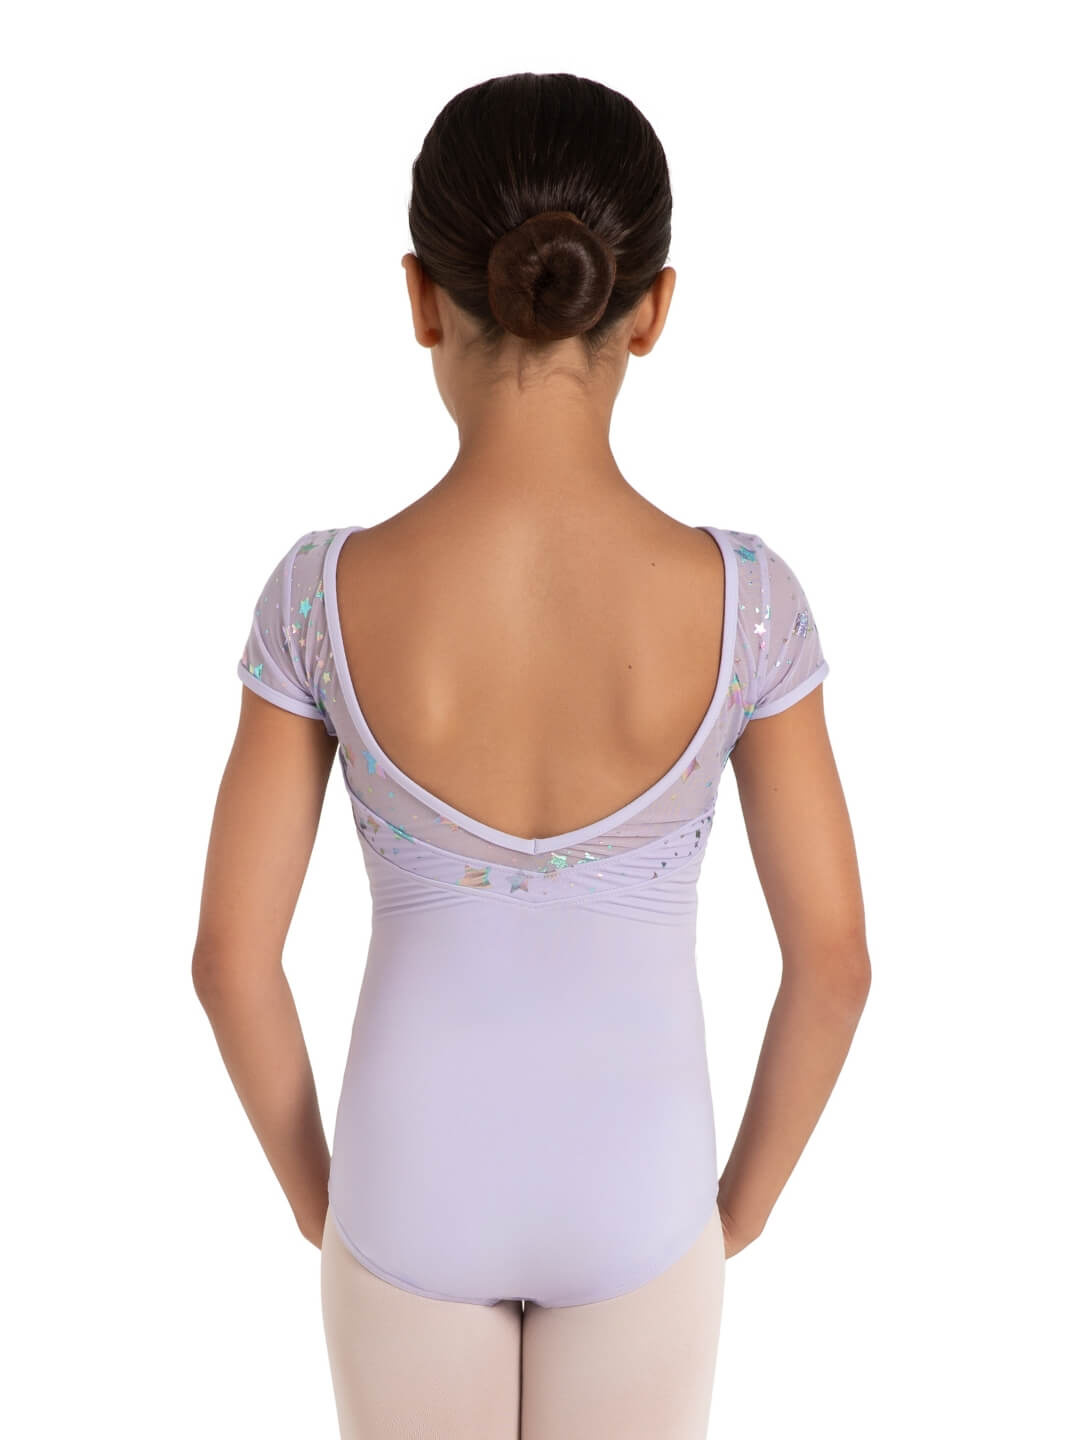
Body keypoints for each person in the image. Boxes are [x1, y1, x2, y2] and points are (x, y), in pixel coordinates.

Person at [192, 71, 871, 1440]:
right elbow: (835, 962)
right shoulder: (748, 604)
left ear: (420, 297)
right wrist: (732, 1212)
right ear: (653, 309)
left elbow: (229, 960)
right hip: (640, 1188)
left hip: (409, 1177)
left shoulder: (321, 597)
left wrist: (328, 1201)